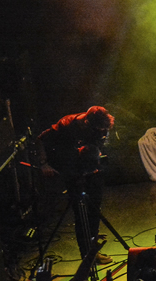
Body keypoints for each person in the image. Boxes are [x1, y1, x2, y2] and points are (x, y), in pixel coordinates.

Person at [38, 105, 115, 263]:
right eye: (99, 128)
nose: (102, 131)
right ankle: (86, 255)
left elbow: (99, 144)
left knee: (94, 211)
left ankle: (93, 252)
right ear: (87, 122)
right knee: (81, 215)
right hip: (72, 172)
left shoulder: (99, 126)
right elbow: (41, 139)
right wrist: (43, 164)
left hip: (92, 171)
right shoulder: (66, 124)